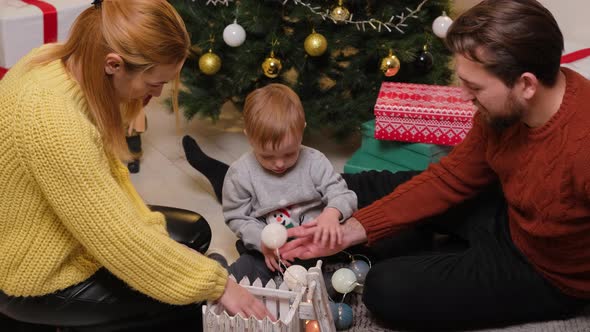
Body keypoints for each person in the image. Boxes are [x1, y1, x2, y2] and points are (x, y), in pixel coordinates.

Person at [183, 0, 590, 330]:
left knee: (387, 291)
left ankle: (393, 249)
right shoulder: (503, 110)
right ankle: (260, 200)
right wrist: (348, 233)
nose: (464, 97)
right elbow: (451, 177)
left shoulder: (582, 147)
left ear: (526, 84)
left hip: (542, 270)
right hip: (505, 210)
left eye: (475, 87)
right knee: (355, 188)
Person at [0, 0, 271, 330]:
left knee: (194, 233)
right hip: (29, 274)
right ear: (113, 65)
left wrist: (172, 252)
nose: (157, 94)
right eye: (153, 83)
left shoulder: (64, 59)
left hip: (56, 230)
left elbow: (110, 183)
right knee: (189, 304)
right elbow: (117, 238)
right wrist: (217, 286)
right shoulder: (53, 119)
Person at [184, 83, 357, 285]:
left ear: (302, 131)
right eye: (267, 156)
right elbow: (237, 217)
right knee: (241, 276)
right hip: (268, 253)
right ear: (249, 137)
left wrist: (332, 214)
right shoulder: (241, 173)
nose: (279, 164)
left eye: (289, 153)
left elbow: (344, 194)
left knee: (330, 284)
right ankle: (217, 270)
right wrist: (262, 242)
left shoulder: (314, 162)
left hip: (317, 250)